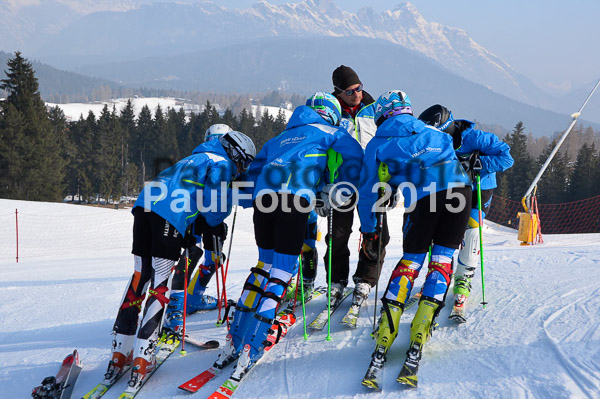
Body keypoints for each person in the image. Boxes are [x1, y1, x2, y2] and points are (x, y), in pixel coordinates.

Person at [215, 92, 363, 378]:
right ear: (331, 113)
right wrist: (337, 189)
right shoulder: (331, 132)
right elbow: (355, 156)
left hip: (263, 201)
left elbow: (250, 178)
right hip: (294, 201)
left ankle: (233, 341)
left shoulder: (278, 139)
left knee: (263, 268)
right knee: (282, 273)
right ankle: (253, 346)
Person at [105, 131, 255, 388]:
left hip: (145, 206)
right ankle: (143, 357)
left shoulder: (196, 156)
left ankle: (120, 353)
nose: (241, 170)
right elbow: (214, 204)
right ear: (235, 154)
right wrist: (215, 225)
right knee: (160, 284)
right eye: (243, 163)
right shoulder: (220, 163)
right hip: (168, 214)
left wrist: (189, 226)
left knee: (140, 277)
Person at [358, 91, 472, 389]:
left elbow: (370, 190)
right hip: (460, 192)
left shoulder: (378, 143)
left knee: (412, 261)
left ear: (382, 115)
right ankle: (421, 329)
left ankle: (386, 331)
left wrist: (369, 228)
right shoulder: (433, 130)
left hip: (424, 198)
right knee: (442, 260)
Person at [302, 65, 389, 318]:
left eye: (359, 88)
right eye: (350, 91)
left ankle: (365, 279)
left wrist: (390, 183)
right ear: (338, 92)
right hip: (339, 184)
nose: (357, 94)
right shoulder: (331, 113)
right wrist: (320, 188)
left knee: (377, 234)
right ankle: (336, 281)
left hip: (372, 182)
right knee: (337, 235)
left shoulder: (376, 110)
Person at [418, 104, 513, 321]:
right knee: (442, 231)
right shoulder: (435, 141)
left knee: (471, 230)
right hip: (452, 188)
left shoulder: (475, 138)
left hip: (480, 188)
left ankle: (463, 280)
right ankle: (438, 275)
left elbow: (507, 158)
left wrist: (478, 163)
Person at [169, 123, 235, 320]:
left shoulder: (200, 154)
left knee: (196, 256)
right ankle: (182, 302)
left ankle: (186, 301)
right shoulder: (221, 159)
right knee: (204, 257)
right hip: (205, 216)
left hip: (197, 215)